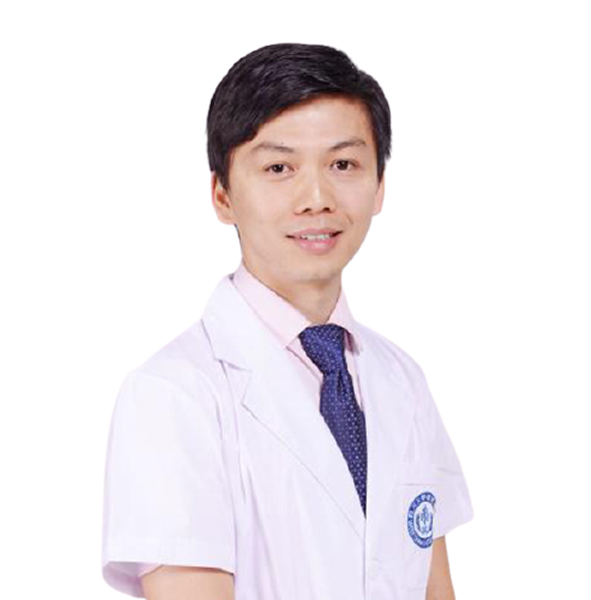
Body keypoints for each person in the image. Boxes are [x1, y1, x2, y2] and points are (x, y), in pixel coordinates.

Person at [101, 42, 474, 600]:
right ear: (222, 195)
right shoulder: (172, 395)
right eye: (279, 168)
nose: (316, 198)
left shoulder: (402, 380)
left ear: (379, 185)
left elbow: (433, 586)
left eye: (343, 164)